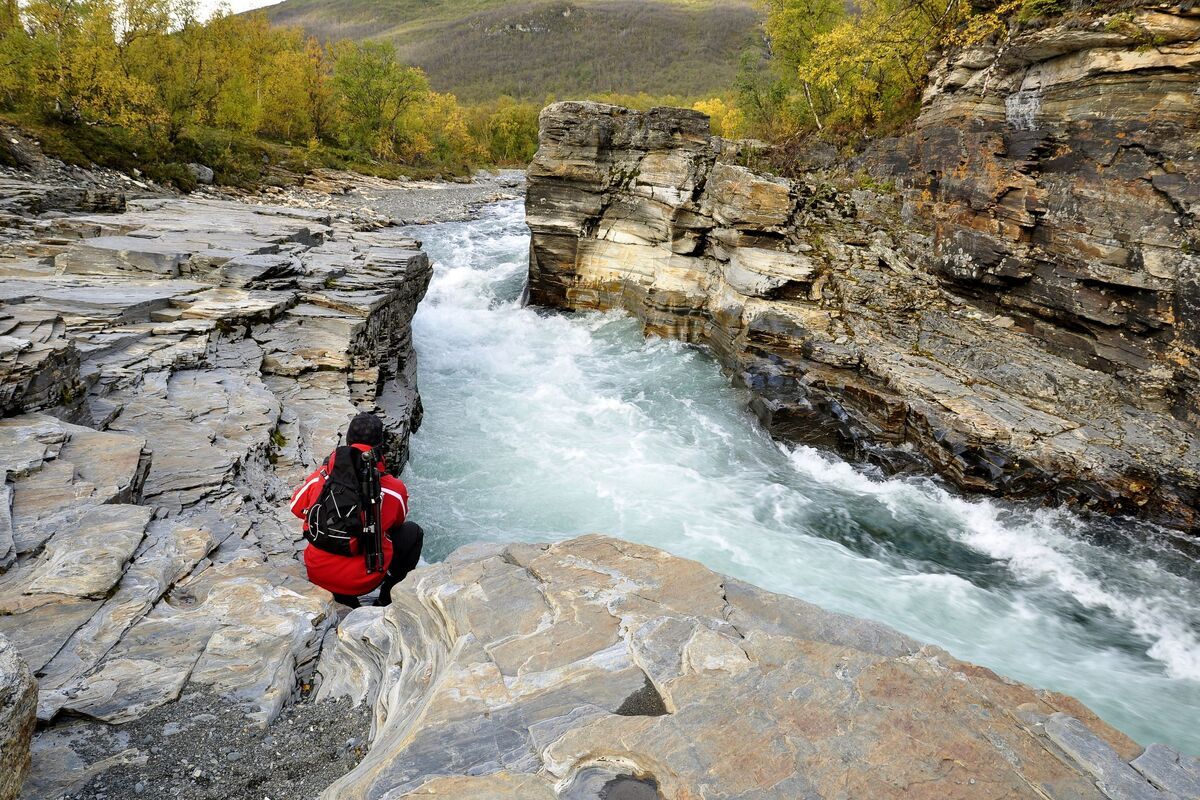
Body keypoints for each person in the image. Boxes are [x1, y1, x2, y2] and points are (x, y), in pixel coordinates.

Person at [289, 412, 423, 607]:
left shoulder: (323, 477)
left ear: (348, 442)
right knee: (412, 533)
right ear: (380, 446)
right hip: (365, 578)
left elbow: (296, 507)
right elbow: (397, 523)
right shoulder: (393, 489)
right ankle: (386, 599)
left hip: (319, 573)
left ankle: (341, 598)